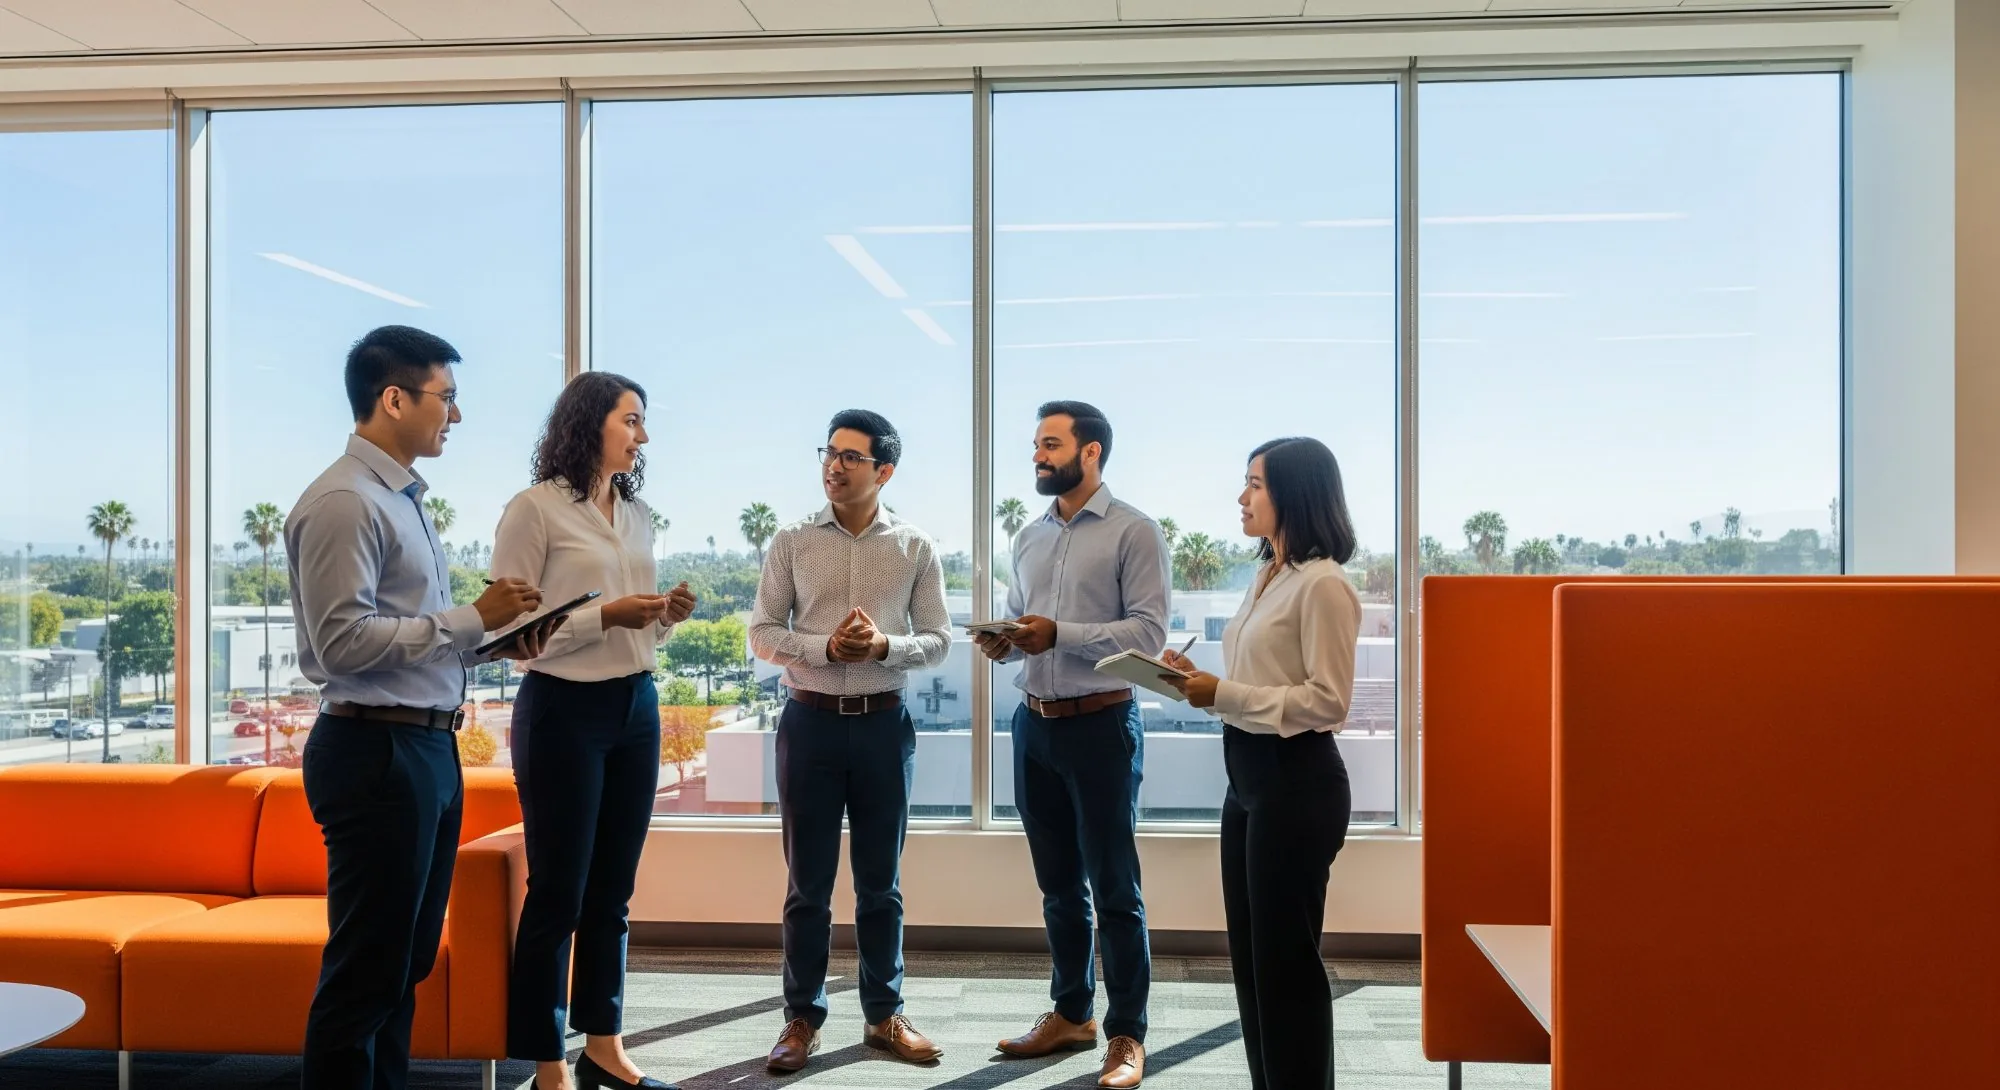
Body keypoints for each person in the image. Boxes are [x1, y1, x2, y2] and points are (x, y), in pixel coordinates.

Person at [288, 325, 554, 1090]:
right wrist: (473, 617)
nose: (456, 417)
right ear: (394, 398)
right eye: (448, 398)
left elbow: (413, 636)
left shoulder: (398, 500)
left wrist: (494, 640)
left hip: (421, 748)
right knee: (367, 972)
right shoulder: (345, 502)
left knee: (400, 968)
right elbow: (342, 646)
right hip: (377, 753)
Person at [487, 372, 697, 1090]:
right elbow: (511, 634)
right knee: (558, 892)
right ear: (590, 424)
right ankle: (547, 1062)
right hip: (560, 714)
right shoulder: (533, 511)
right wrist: (605, 616)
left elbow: (642, 633)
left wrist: (665, 615)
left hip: (635, 708)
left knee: (613, 891)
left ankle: (603, 1044)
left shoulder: (636, 514)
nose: (642, 435)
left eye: (642, 422)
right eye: (631, 420)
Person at [750, 410, 952, 1075]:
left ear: (884, 470)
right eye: (828, 453)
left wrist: (886, 646)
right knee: (807, 885)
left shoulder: (916, 547)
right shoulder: (791, 540)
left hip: (882, 726)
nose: (833, 466)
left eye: (850, 457)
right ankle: (800, 1019)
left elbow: (939, 641)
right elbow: (761, 633)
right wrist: (824, 646)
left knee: (880, 885)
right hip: (807, 723)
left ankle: (883, 1015)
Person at [976, 400, 1170, 1090]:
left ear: (1090, 453)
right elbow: (1027, 624)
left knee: (1115, 889)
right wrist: (1004, 642)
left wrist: (1061, 633)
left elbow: (1148, 634)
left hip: (1102, 726)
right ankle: (1071, 1013)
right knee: (1059, 887)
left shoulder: (1134, 531)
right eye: (1036, 444)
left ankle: (1127, 1036)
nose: (1038, 454)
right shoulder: (1028, 537)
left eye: (1050, 444)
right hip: (1033, 726)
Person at [1158, 437, 1361, 1090]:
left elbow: (1328, 701)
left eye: (1255, 484)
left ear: (1295, 495)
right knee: (1251, 962)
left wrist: (1223, 694)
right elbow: (1265, 679)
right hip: (1246, 778)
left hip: (1297, 782)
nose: (1241, 497)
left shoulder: (1325, 585)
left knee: (1286, 965)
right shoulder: (1267, 573)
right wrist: (1201, 681)